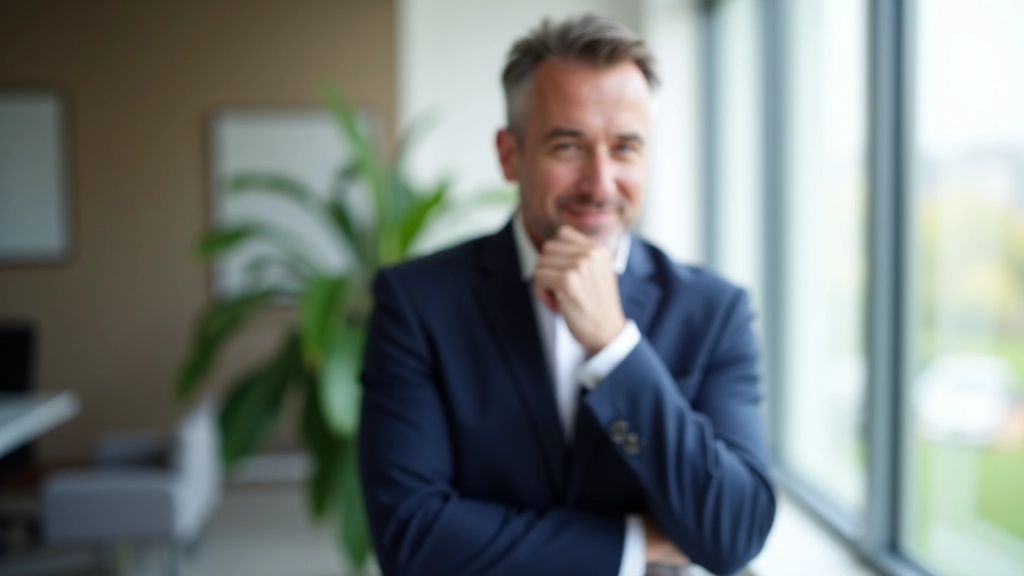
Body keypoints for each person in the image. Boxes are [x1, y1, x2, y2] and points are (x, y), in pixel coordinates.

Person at [358, 14, 775, 576]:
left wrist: (615, 348)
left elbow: (735, 532)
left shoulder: (713, 311)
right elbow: (411, 538)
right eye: (568, 146)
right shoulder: (417, 303)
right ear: (510, 155)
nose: (600, 183)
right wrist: (637, 544)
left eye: (625, 148)